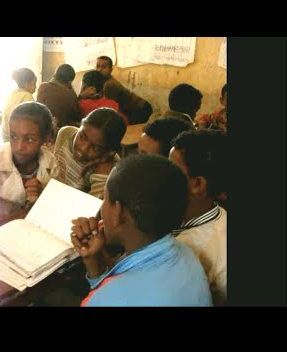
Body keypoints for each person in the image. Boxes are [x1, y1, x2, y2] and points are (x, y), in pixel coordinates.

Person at [71, 154, 212, 306]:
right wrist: (93, 260)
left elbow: (109, 297)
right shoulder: (186, 254)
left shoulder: (105, 300)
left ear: (118, 213)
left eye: (105, 198)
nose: (102, 207)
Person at [0, 101, 58, 224]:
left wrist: (43, 194)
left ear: (46, 138)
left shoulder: (50, 163)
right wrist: (26, 212)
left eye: (29, 139)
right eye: (13, 136)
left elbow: (54, 211)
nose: (19, 147)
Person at [169, 129, 227, 306]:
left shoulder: (189, 249)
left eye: (171, 170)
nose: (162, 175)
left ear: (197, 184)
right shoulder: (220, 215)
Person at [54, 107, 126, 199]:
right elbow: (56, 173)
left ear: (108, 151)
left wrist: (102, 173)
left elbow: (93, 208)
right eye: (82, 136)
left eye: (95, 148)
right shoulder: (66, 133)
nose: (83, 149)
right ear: (80, 126)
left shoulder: (110, 168)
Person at [96, 56, 152, 125]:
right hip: (133, 109)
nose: (99, 70)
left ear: (111, 69)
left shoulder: (109, 85)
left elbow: (108, 108)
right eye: (97, 66)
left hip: (141, 109)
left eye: (104, 67)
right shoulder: (102, 81)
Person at [36, 64, 81, 138]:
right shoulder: (70, 94)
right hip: (64, 134)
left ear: (55, 75)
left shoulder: (43, 87)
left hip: (45, 133)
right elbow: (76, 114)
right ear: (70, 81)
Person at [1, 68, 37, 142]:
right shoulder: (27, 96)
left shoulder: (11, 95)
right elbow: (33, 121)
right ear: (26, 83)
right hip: (19, 140)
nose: (36, 87)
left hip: (6, 138)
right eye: (34, 83)